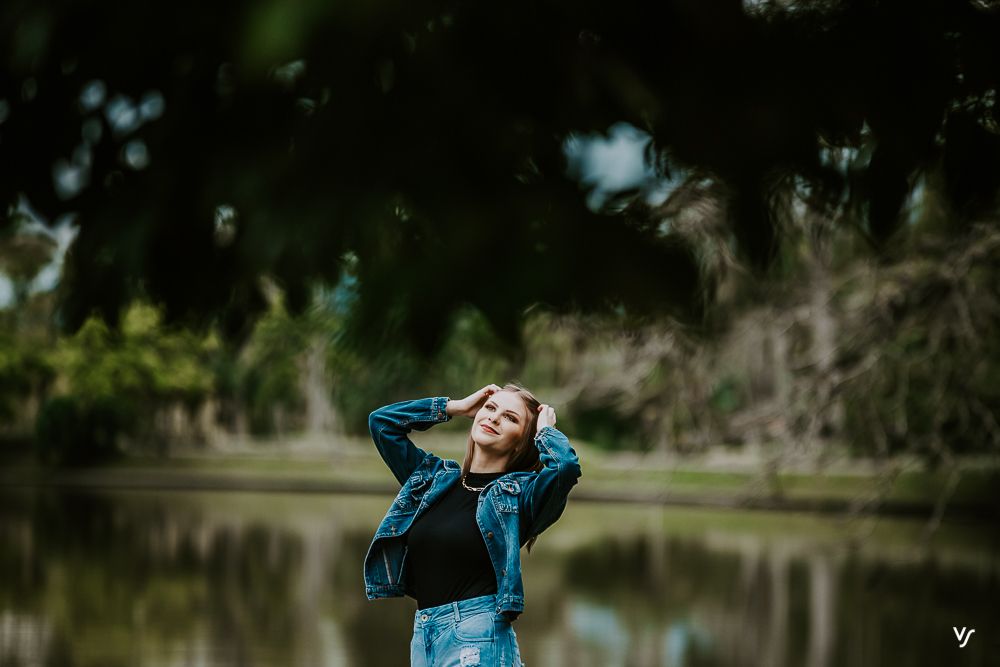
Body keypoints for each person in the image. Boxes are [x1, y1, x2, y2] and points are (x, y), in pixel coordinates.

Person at [363, 383, 582, 666]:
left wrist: (545, 432)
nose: (494, 417)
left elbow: (565, 468)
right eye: (490, 408)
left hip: (477, 637)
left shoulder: (521, 496)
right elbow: (382, 424)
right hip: (424, 636)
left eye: (510, 418)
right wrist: (454, 407)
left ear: (522, 442)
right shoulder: (434, 481)